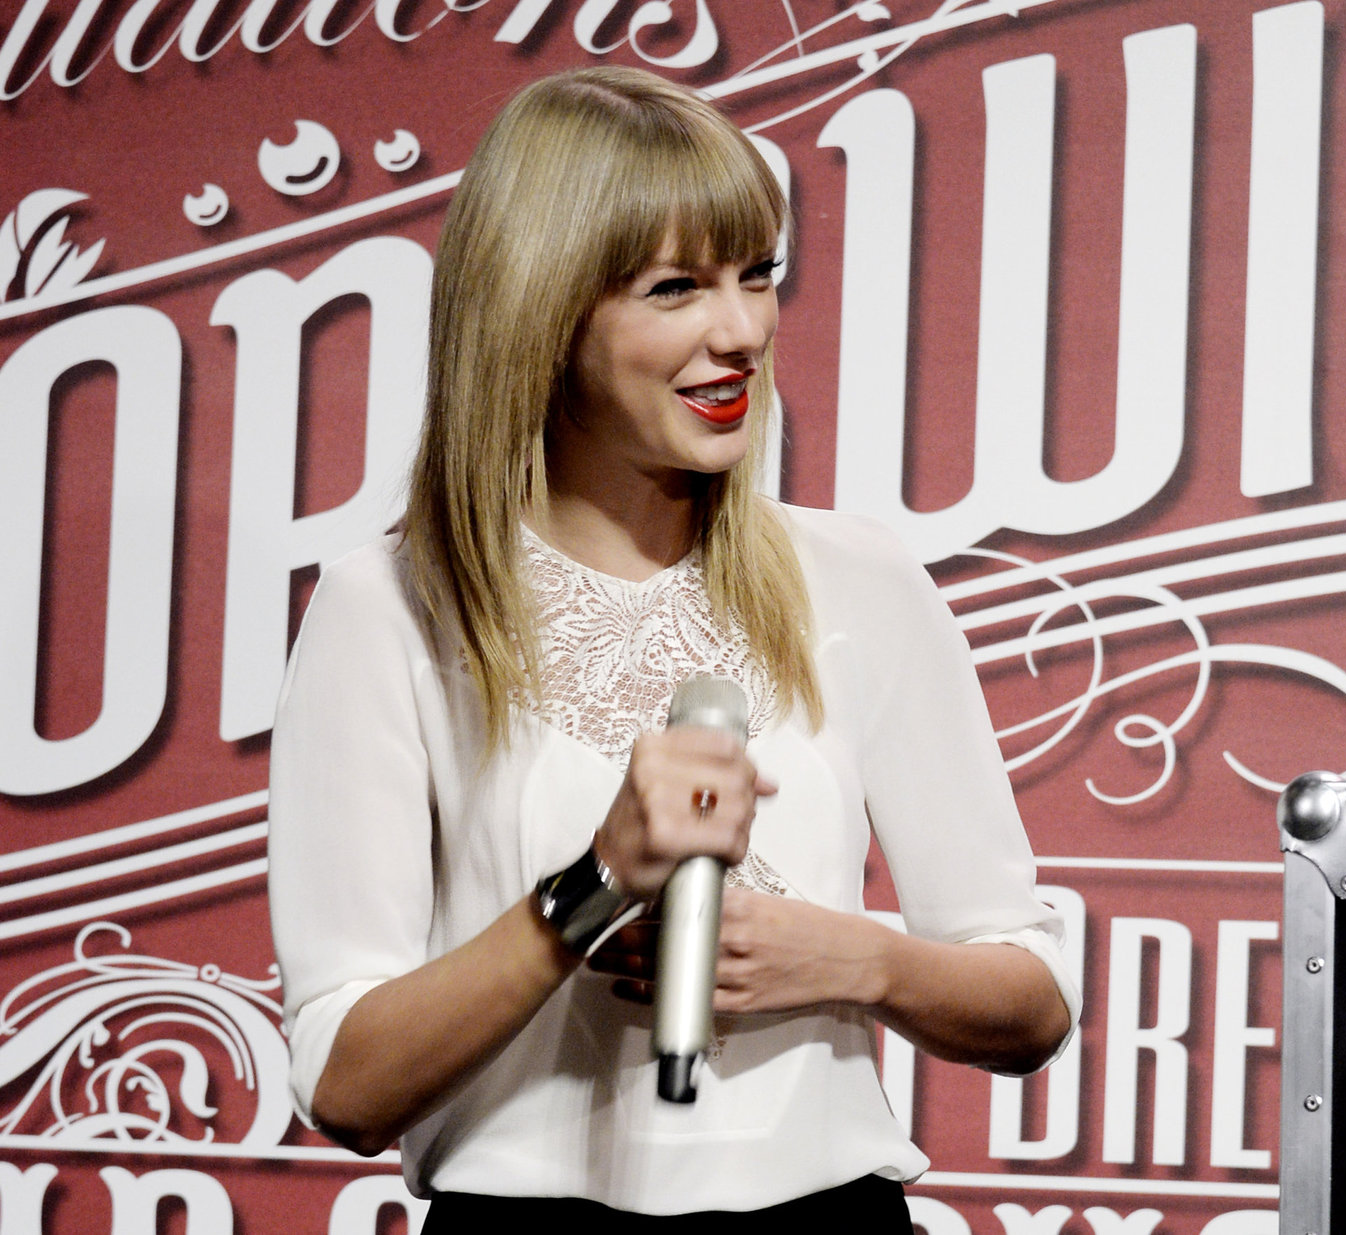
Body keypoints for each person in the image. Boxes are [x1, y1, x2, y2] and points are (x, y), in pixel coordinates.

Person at [267, 65, 1079, 1231]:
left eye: (758, 274)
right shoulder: (390, 607)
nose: (741, 331)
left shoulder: (858, 579)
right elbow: (347, 1083)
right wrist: (593, 883)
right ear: (543, 313)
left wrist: (853, 957)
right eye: (675, 288)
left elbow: (1033, 999)